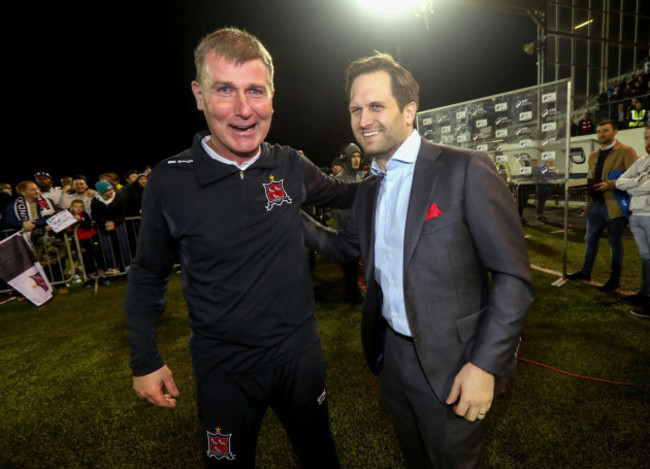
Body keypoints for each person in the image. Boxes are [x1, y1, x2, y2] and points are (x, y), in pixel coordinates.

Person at [124, 27, 356, 469]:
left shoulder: (289, 164)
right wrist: (145, 359)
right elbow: (147, 273)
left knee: (321, 457)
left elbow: (348, 194)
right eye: (225, 90)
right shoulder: (171, 180)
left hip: (300, 357)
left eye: (255, 91)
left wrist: (402, 166)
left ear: (272, 95)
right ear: (198, 94)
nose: (244, 110)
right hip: (223, 371)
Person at [302, 52, 533, 468]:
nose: (363, 118)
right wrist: (289, 216)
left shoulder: (465, 169)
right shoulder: (369, 186)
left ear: (409, 111)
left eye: (376, 105)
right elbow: (343, 248)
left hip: (454, 365)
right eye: (356, 109)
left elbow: (514, 277)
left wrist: (485, 364)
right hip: (392, 359)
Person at [567, 119, 638, 291]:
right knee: (590, 239)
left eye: (605, 130)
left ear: (615, 132)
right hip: (596, 206)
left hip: (614, 204)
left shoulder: (627, 151)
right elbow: (591, 177)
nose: (601, 134)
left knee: (615, 243)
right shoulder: (593, 155)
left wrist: (610, 184)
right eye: (598, 131)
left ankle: (614, 280)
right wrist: (588, 201)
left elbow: (634, 177)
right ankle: (586, 271)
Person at [616, 124, 650, 317]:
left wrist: (633, 186)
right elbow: (621, 182)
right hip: (636, 215)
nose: (648, 142)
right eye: (646, 138)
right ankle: (645, 294)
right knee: (646, 259)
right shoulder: (642, 161)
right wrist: (638, 183)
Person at [333, 143, 367, 309]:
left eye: (359, 156)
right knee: (350, 268)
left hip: (360, 230)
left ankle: (356, 293)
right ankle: (354, 299)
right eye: (353, 156)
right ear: (346, 159)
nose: (357, 160)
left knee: (359, 267)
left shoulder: (360, 177)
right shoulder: (339, 180)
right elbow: (340, 211)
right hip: (347, 231)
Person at [91, 180, 131, 275]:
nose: (110, 192)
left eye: (111, 190)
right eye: (107, 191)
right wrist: (105, 223)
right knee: (106, 246)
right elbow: (95, 216)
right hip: (103, 226)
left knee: (123, 244)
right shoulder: (95, 201)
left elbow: (123, 212)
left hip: (118, 224)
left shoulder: (118, 198)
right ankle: (112, 266)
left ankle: (127, 264)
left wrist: (114, 222)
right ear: (101, 192)